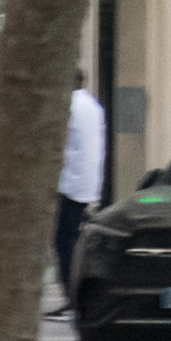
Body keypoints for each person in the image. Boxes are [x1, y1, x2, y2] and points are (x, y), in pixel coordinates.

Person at [51, 71, 107, 318]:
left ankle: (71, 299)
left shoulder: (68, 106)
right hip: (88, 185)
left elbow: (57, 144)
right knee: (75, 242)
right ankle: (77, 298)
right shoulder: (93, 106)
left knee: (65, 244)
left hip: (69, 186)